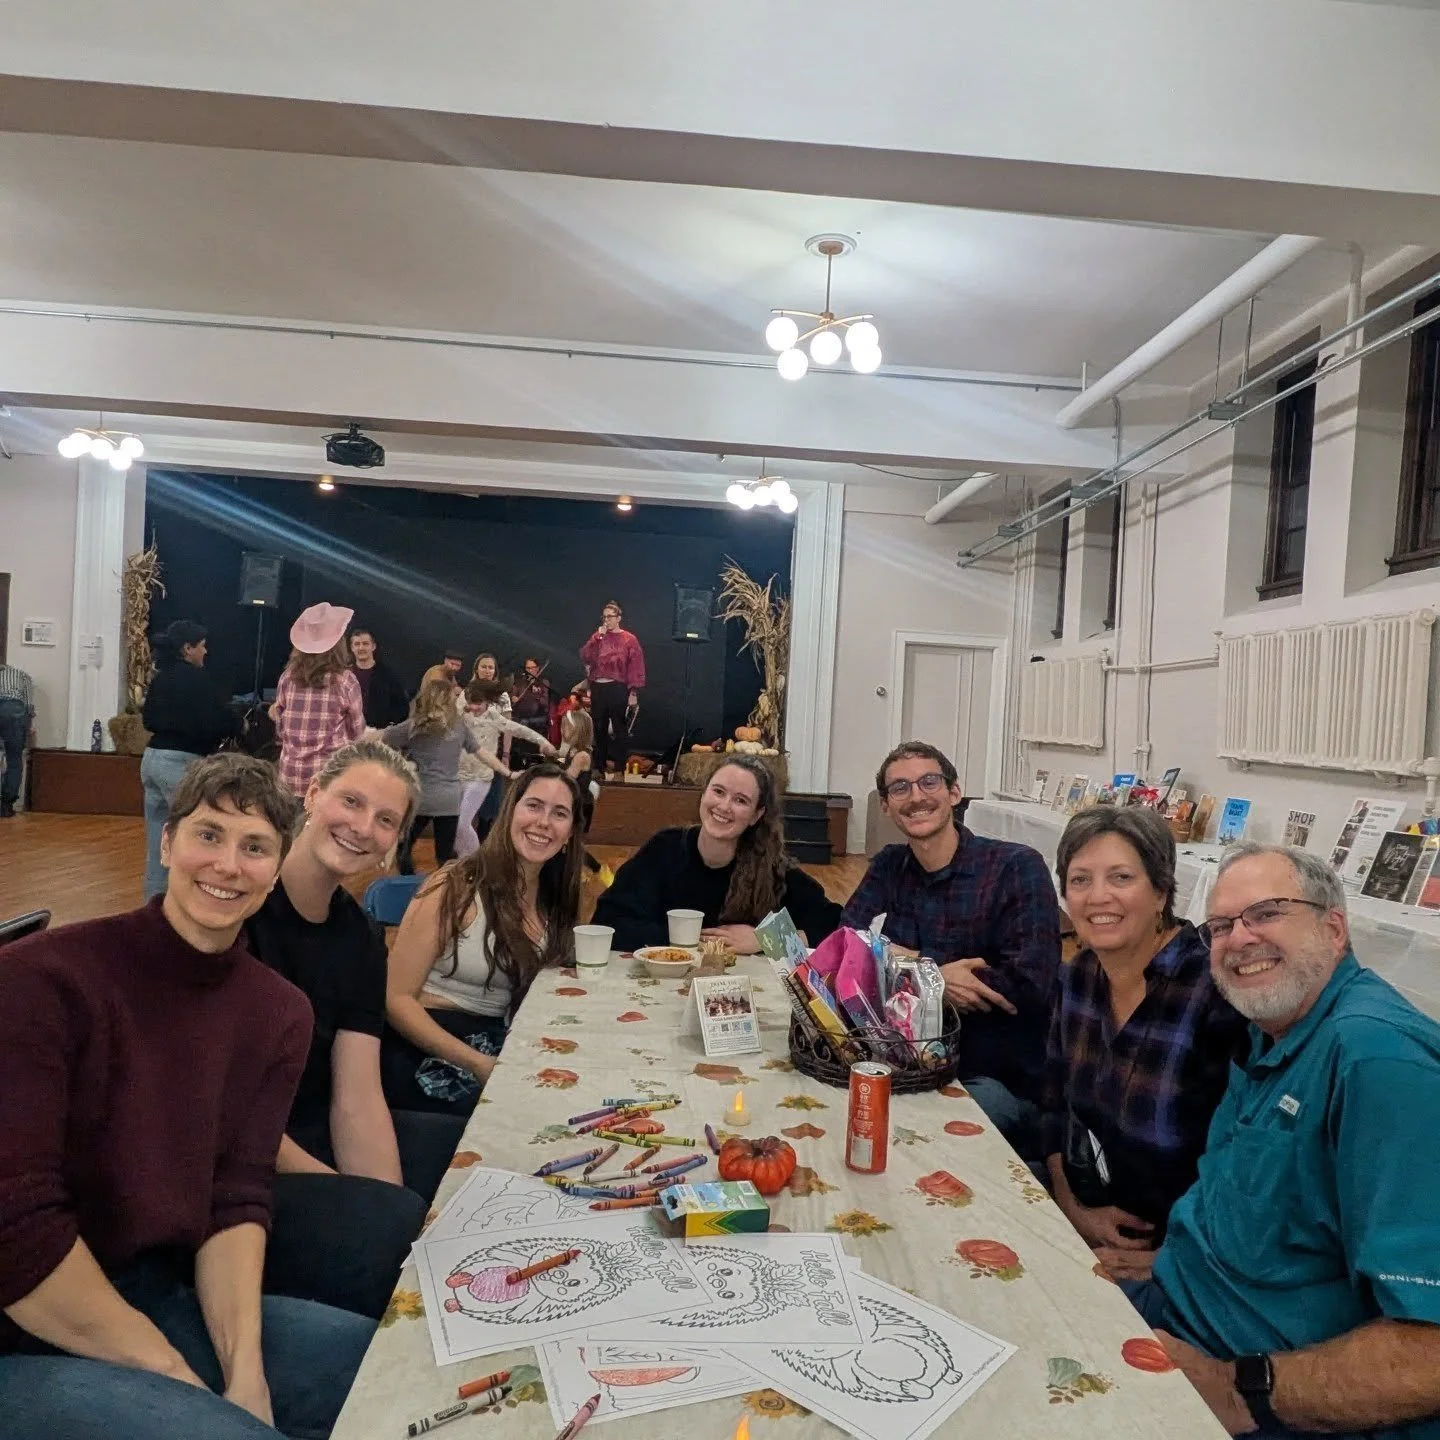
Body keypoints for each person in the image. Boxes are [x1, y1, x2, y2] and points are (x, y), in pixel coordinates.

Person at [0, 753, 371, 1440]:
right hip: (21, 1322)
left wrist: (245, 1375)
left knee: (371, 1370)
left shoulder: (278, 1013)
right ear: (167, 842)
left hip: (145, 1290)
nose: (228, 865)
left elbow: (233, 1197)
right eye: (209, 835)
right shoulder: (38, 980)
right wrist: (174, 1375)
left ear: (279, 864)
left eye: (255, 846)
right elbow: (16, 1233)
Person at [1119, 844, 1440, 1439]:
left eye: (1266, 914)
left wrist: (1237, 1389)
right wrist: (1169, 1262)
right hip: (1175, 1313)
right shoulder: (1272, 1025)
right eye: (1220, 926)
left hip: (1268, 1397)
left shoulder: (1377, 1062)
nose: (1239, 939)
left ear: (1334, 927)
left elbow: (1431, 1353)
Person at [246, 740, 467, 1320]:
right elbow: (231, 1113)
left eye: (386, 819)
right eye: (352, 801)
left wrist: (378, 1194)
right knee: (389, 1224)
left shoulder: (359, 937)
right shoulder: (241, 912)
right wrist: (352, 1199)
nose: (363, 827)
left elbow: (358, 1096)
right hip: (239, 1154)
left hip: (312, 1124)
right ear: (313, 794)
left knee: (462, 1155)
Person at [1042, 807, 1247, 1280]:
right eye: (1080, 880)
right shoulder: (1077, 978)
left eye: (1121, 877)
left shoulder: (1214, 993)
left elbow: (1243, 1165)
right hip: (1082, 1209)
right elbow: (1052, 1104)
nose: (1098, 897)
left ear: (1160, 891)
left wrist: (1173, 1262)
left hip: (1181, 1257)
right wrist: (1072, 1208)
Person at [840, 741, 1060, 1148]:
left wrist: (899, 962)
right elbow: (848, 946)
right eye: (900, 788)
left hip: (989, 1074)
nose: (917, 796)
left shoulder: (1016, 867)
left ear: (954, 793)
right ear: (887, 807)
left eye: (929, 782)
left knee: (910, 1140)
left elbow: (1028, 986)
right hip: (902, 1061)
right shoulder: (890, 865)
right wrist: (933, 976)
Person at [382, 764, 583, 1116]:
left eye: (559, 813)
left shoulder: (554, 901)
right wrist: (477, 1063)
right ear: (510, 813)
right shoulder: (457, 884)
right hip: (426, 1046)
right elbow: (396, 999)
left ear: (569, 834)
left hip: (494, 1041)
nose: (544, 822)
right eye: (533, 805)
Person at [594, 754, 842, 953]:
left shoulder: (773, 869)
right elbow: (607, 921)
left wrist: (765, 940)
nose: (724, 807)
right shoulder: (664, 849)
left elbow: (837, 926)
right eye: (718, 792)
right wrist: (689, 939)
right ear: (704, 793)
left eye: (741, 800)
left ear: (757, 815)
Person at [139, 620, 241, 898]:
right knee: (195, 834)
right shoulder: (197, 679)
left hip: (151, 759)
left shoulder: (161, 677)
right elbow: (215, 721)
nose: (206, 652)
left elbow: (147, 719)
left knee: (158, 842)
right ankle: (191, 901)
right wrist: (235, 723)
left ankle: (154, 904)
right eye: (202, 646)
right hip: (180, 763)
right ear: (188, 648)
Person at [379, 676, 482, 874]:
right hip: (449, 800)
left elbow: (386, 738)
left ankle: (409, 885)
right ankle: (443, 893)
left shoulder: (415, 725)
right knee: (445, 855)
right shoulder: (459, 726)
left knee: (404, 848)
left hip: (421, 798)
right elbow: (478, 749)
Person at [270, 602, 365, 797]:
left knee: (291, 827)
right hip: (327, 778)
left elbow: (281, 729)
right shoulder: (345, 680)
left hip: (290, 776)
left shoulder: (287, 677)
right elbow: (358, 732)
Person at [456, 678, 559, 856]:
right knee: (456, 827)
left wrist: (543, 742)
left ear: (488, 702)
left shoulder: (495, 718)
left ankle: (477, 862)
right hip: (459, 776)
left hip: (480, 778)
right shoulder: (462, 714)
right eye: (471, 703)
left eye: (478, 704)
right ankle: (463, 861)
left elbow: (520, 730)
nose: (474, 708)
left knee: (461, 823)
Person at [579, 600, 644, 779]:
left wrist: (633, 692)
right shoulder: (598, 637)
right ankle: (598, 768)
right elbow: (585, 656)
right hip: (598, 685)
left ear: (618, 618)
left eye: (610, 617)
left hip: (617, 686)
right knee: (599, 727)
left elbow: (636, 666)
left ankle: (619, 769)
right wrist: (596, 638)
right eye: (604, 617)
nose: (606, 620)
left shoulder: (629, 639)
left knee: (618, 728)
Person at [348, 626, 410, 728]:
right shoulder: (345, 676)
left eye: (365, 643)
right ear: (352, 648)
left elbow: (401, 707)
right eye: (357, 644)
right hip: (350, 733)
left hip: (379, 734)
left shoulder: (388, 675)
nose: (361, 648)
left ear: (373, 646)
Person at [0, 657, 36, 819]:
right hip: (14, 709)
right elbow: (28, 705)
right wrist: (27, 728)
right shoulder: (21, 674)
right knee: (14, 759)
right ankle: (6, 805)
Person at [549, 678, 590, 749]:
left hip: (599, 713)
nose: (587, 670)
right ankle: (564, 749)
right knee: (568, 715)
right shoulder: (587, 681)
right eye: (587, 667)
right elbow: (575, 690)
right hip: (583, 709)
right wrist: (573, 696)